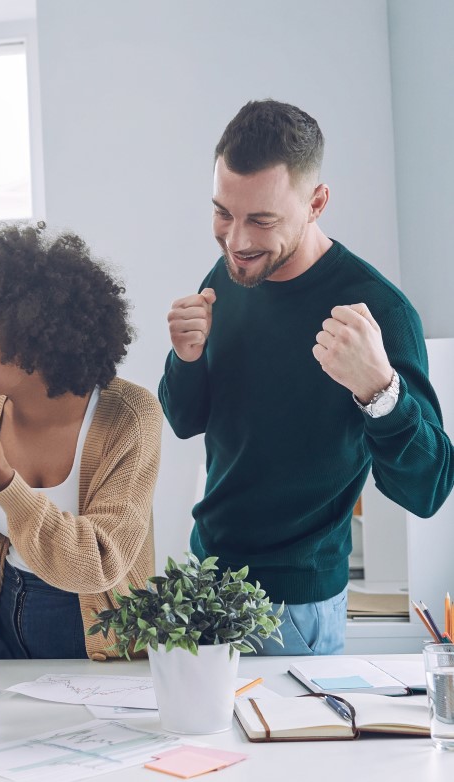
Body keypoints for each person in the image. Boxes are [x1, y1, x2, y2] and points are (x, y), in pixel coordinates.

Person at [159, 99, 453, 656]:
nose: (237, 241)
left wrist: (380, 391)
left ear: (316, 202)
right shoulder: (229, 275)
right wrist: (185, 357)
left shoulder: (380, 313)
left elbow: (429, 489)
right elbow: (184, 420)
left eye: (262, 220)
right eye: (224, 213)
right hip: (204, 580)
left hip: (293, 607)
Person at [0, 223, 160, 660]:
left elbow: (98, 565)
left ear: (29, 341)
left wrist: (3, 480)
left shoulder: (129, 418)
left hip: (92, 624)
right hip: (4, 607)